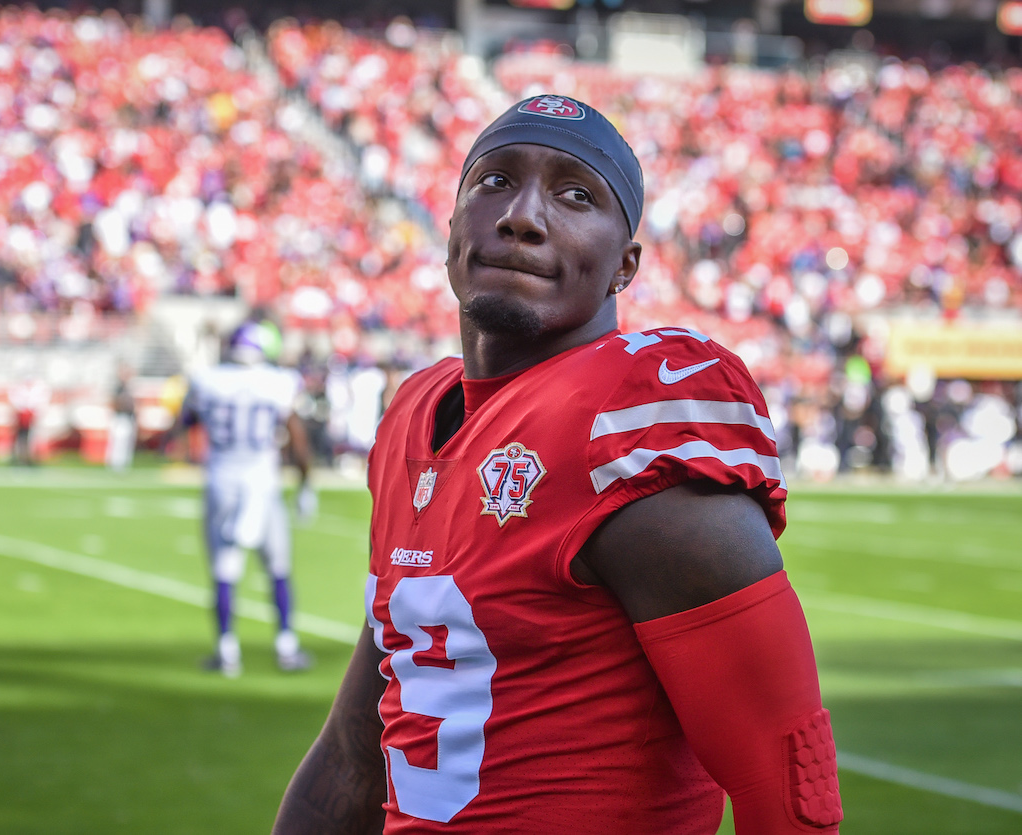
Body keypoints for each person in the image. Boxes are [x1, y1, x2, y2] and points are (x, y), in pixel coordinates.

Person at [275, 95, 842, 834]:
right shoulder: (415, 417)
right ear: (450, 229)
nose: (523, 216)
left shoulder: (633, 420)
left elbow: (784, 782)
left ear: (625, 264)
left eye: (577, 195)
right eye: (494, 181)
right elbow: (356, 753)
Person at [186, 321, 317, 677]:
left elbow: (186, 421)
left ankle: (227, 651)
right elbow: (296, 436)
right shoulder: (278, 381)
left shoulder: (206, 379)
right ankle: (286, 646)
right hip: (263, 483)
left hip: (222, 481)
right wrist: (306, 484)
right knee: (277, 566)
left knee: (224, 570)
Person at [105, 364, 138, 472]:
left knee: (126, 442)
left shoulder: (129, 387)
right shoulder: (118, 388)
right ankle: (116, 464)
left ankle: (123, 464)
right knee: (119, 441)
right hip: (120, 417)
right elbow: (115, 402)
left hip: (128, 417)